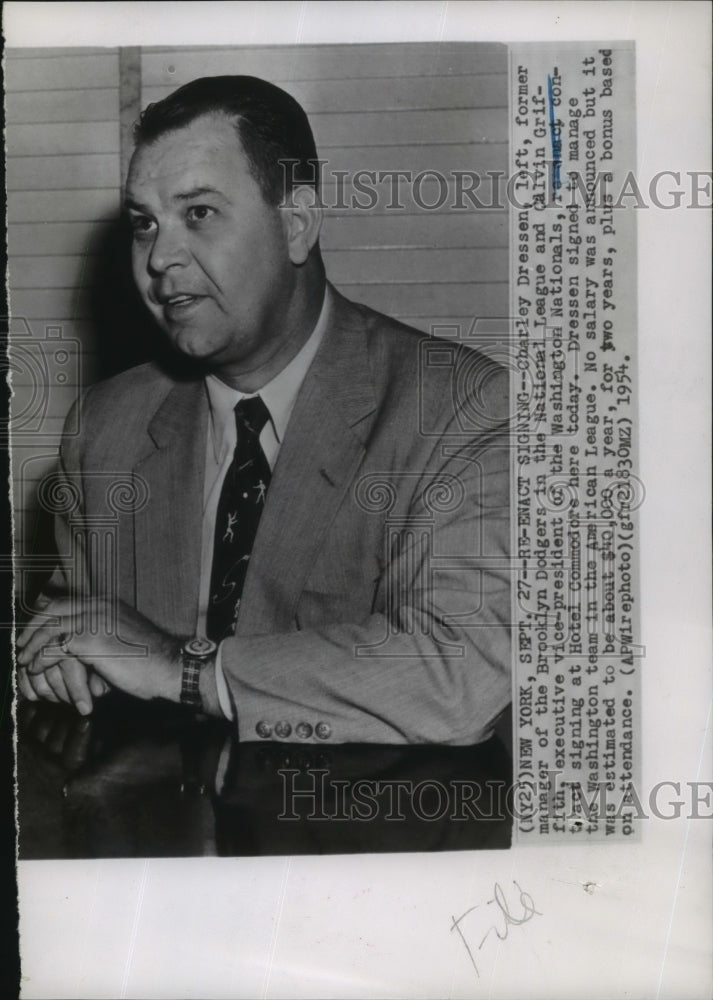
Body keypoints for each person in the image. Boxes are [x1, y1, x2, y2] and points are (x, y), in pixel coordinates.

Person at [17, 75, 511, 746]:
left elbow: (462, 677)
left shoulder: (458, 410)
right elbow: (70, 628)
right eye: (144, 224)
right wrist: (57, 661)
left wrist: (185, 669)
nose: (159, 258)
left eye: (198, 213)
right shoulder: (105, 427)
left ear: (297, 223)